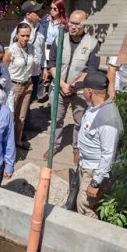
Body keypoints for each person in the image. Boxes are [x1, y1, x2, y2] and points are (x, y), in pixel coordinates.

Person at [43, 10, 100, 162]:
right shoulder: (59, 39)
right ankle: (54, 145)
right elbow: (52, 64)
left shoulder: (92, 44)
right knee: (56, 119)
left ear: (84, 25)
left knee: (79, 121)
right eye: (71, 22)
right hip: (59, 88)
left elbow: (91, 70)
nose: (72, 26)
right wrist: (62, 84)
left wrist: (73, 85)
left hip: (79, 90)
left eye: (77, 23)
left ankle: (77, 148)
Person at [74, 72, 123, 218]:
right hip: (86, 164)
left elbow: (108, 154)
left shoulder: (108, 120)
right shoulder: (95, 105)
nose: (82, 92)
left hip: (94, 171)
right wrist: (79, 149)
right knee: (85, 203)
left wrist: (95, 183)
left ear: (89, 92)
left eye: (83, 90)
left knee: (85, 207)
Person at [4, 22, 39, 150]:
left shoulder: (31, 48)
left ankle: (17, 141)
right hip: (14, 86)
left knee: (21, 117)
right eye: (22, 35)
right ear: (17, 35)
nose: (25, 38)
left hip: (27, 85)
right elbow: (4, 71)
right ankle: (7, 144)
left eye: (27, 35)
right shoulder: (10, 51)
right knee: (10, 116)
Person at [39, 0, 67, 100]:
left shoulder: (64, 23)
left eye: (55, 9)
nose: (52, 11)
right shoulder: (46, 19)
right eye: (51, 8)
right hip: (46, 47)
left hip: (57, 49)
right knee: (45, 70)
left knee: (54, 69)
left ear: (61, 10)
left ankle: (54, 92)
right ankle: (44, 91)